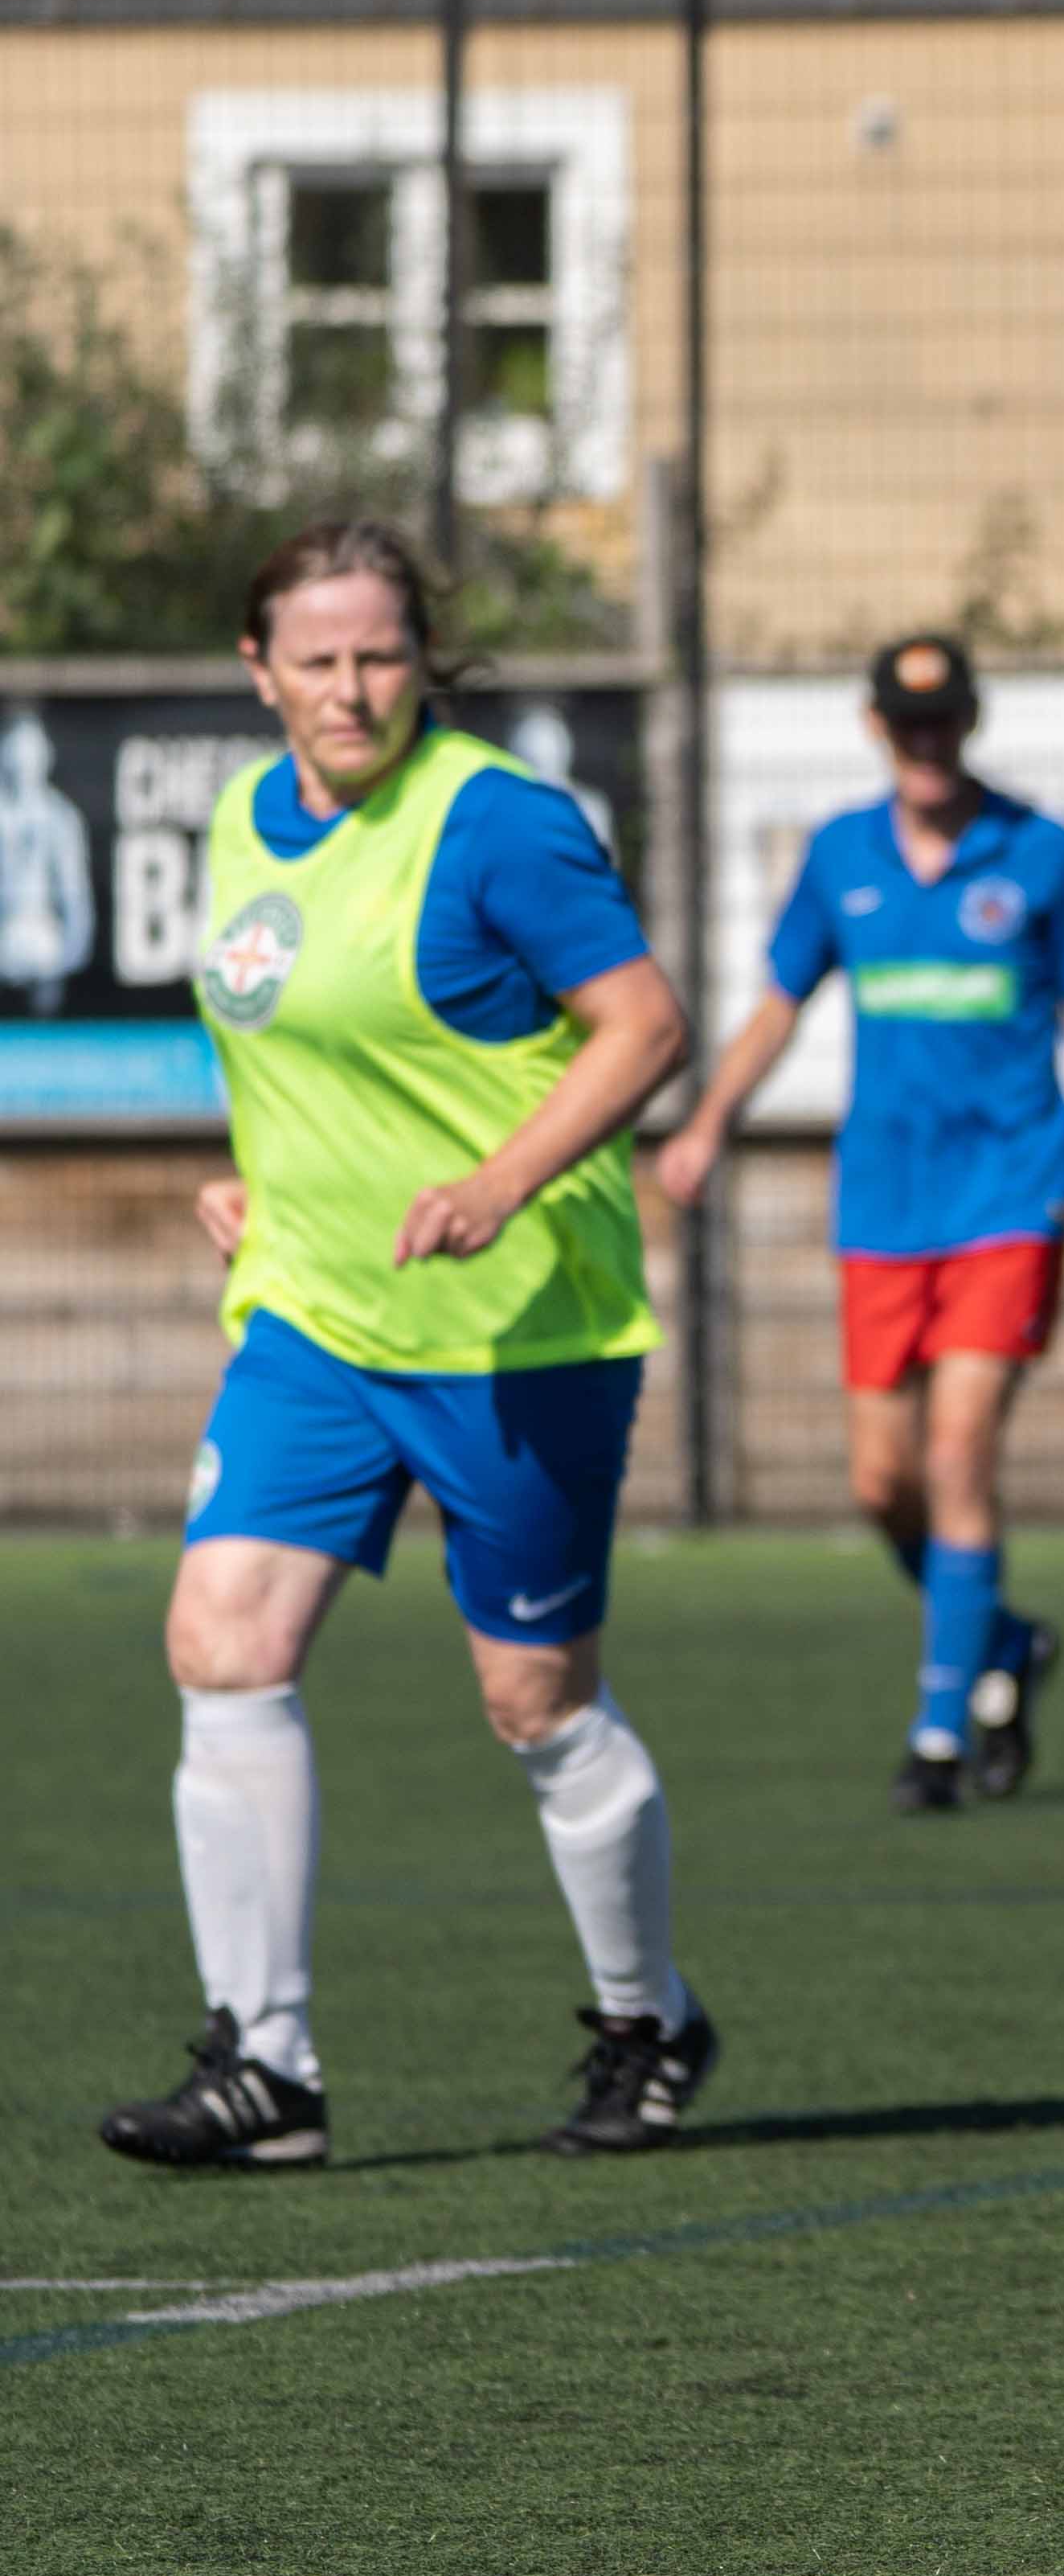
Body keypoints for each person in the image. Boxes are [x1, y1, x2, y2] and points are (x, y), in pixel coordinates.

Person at [100, 520, 708, 2168]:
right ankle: (266, 2067)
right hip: (314, 1316)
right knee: (221, 1638)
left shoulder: (494, 821)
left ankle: (646, 2021)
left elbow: (645, 1024)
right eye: (317, 659)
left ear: (423, 660)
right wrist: (258, 1178)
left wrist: (504, 1182)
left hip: (517, 1333)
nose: (351, 688)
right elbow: (289, 1049)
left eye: (380, 655)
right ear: (259, 671)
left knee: (535, 1701)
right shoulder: (245, 817)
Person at [653, 636, 1064, 1812]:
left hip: (1010, 1194)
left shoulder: (1040, 851)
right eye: (907, 722)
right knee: (883, 1481)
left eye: (945, 721)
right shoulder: (841, 854)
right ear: (876, 727)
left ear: (971, 723)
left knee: (958, 1450)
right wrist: (707, 1122)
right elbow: (779, 1004)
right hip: (883, 1205)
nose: (928, 742)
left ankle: (936, 1736)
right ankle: (1002, 1641)